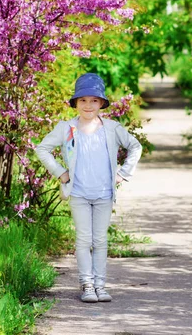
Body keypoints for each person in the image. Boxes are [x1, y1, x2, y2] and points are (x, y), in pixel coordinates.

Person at [35, 73, 142, 303]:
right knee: (84, 240)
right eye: (83, 100)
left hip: (104, 194)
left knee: (100, 240)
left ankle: (101, 286)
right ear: (75, 103)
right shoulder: (67, 128)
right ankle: (87, 284)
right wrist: (61, 173)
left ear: (102, 103)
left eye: (94, 100)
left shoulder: (112, 128)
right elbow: (42, 149)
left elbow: (135, 147)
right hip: (79, 194)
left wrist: (123, 173)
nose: (88, 105)